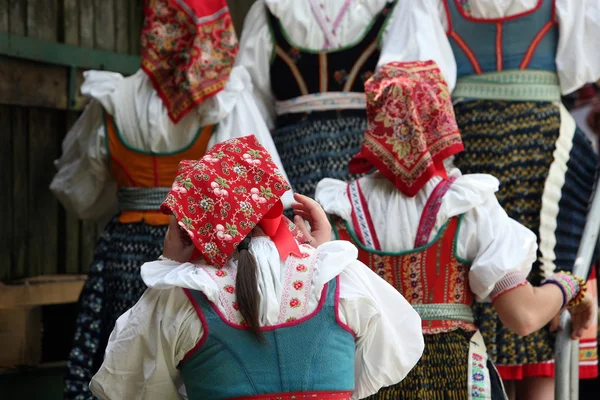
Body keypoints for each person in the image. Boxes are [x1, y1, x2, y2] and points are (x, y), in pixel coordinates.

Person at [50, 1, 290, 399]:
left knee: (125, 354)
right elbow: (260, 189)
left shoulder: (114, 98)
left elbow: (81, 193)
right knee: (195, 352)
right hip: (199, 254)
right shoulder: (222, 101)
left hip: (124, 249)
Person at [316, 61, 596, 399]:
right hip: (455, 380)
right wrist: (571, 286)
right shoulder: (467, 205)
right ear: (439, 116)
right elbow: (522, 316)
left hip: (373, 378)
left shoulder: (338, 210)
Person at [88, 135, 424, 400]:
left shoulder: (180, 299)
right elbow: (386, 358)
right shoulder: (341, 278)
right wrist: (319, 254)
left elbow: (126, 386)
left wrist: (171, 263)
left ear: (190, 226)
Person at [377, 1, 600, 396]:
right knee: (545, 271)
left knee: (481, 272)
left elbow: (418, 76)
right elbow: (584, 65)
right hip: (544, 136)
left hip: (472, 139)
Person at [235, 0, 408, 202]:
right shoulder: (271, 10)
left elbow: (254, 104)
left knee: (314, 226)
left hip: (307, 154)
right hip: (337, 154)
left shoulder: (274, 10)